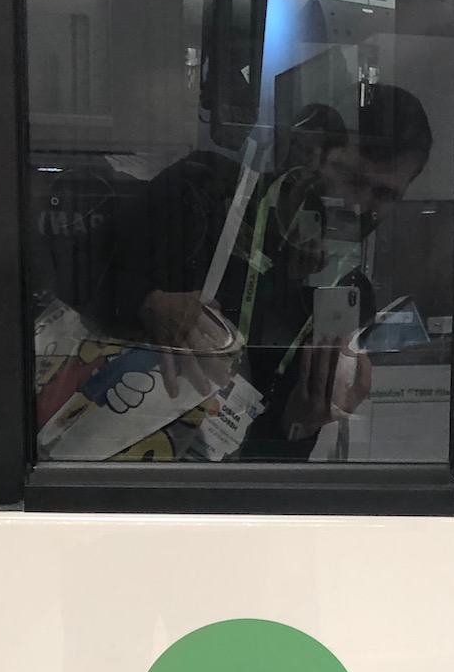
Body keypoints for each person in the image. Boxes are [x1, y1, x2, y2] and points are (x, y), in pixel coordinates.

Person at [105, 87, 432, 461]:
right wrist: (147, 303)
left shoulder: (351, 296)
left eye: (384, 194)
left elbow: (270, 458)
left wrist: (300, 424)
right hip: (116, 452)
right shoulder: (204, 189)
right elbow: (80, 273)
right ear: (313, 152)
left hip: (222, 486)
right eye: (352, 178)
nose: (359, 206)